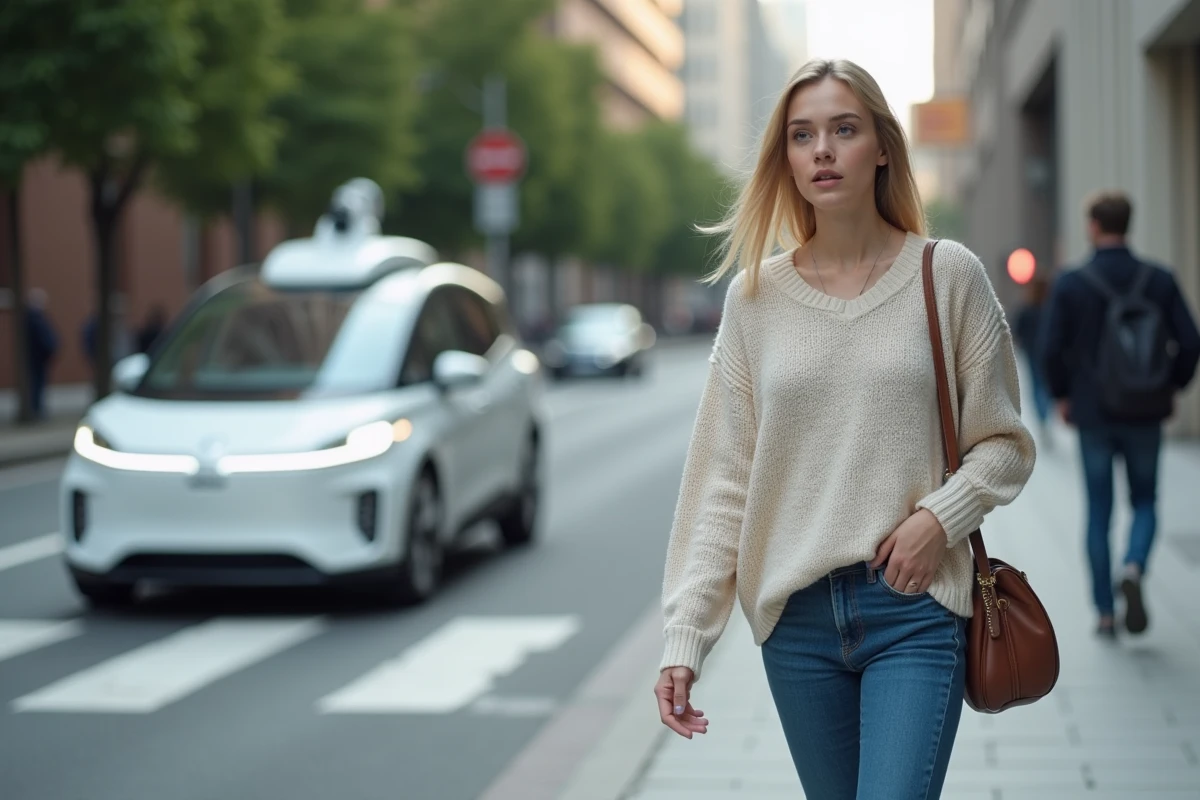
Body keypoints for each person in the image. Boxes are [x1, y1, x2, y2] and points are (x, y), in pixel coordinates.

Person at [652, 58, 1036, 799]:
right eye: (802, 136)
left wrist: (939, 519)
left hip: (915, 612)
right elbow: (722, 481)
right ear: (787, 160)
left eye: (843, 129)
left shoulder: (947, 274)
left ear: (882, 147)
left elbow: (1006, 443)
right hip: (796, 625)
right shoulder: (755, 300)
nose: (822, 150)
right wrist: (687, 637)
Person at [1040, 191, 1200, 638]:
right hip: (1145, 411)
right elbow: (1190, 342)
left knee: (1098, 510)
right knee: (1145, 500)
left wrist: (1062, 395)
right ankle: (1133, 564)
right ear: (1128, 224)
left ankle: (1105, 613)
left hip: (1093, 412)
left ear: (1093, 225)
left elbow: (1051, 349)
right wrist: (1171, 386)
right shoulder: (1159, 279)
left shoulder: (1072, 283)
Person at [1014, 275, 1053, 440]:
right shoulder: (1050, 309)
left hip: (1032, 353)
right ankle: (1045, 413)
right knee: (1046, 384)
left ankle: (1042, 416)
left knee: (1037, 385)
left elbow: (1018, 331)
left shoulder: (1027, 309)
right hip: (1048, 353)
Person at [23, 288, 58, 419]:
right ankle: (36, 410)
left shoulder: (37, 318)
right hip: (37, 358)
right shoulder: (34, 319)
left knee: (39, 385)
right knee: (36, 385)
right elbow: (42, 339)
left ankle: (37, 409)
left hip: (40, 358)